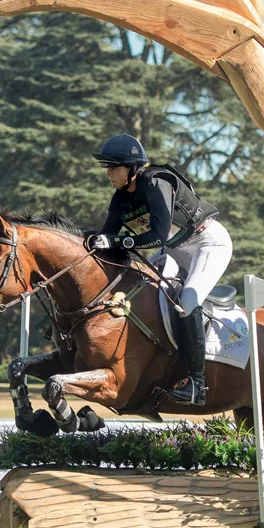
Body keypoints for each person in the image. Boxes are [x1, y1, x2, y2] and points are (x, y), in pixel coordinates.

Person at [89, 134, 232, 405]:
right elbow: (107, 237)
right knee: (141, 290)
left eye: (114, 167)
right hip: (175, 249)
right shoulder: (121, 198)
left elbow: (156, 235)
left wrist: (114, 240)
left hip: (207, 243)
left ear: (132, 169)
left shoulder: (156, 182)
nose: (109, 173)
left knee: (187, 300)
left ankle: (197, 385)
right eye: (107, 168)